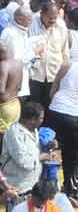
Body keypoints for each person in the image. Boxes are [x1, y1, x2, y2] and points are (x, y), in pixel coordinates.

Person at [47, 57, 78, 196]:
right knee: (71, 156)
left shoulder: (67, 64)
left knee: (48, 148)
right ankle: (70, 190)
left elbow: (53, 89)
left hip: (56, 109)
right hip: (73, 115)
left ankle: (46, 187)